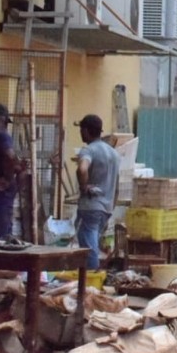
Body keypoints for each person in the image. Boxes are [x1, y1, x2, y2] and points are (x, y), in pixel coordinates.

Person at [75, 114, 120, 270]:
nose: (80, 133)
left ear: (86, 130)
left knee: (88, 245)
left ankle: (90, 277)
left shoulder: (88, 150)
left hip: (91, 206)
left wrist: (84, 186)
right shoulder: (114, 153)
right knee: (93, 241)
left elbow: (82, 169)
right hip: (106, 207)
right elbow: (117, 186)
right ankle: (92, 275)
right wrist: (111, 207)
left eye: (81, 129)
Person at [0, 104, 20, 240]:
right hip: (1, 191)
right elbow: (10, 156)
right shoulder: (2, 136)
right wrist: (8, 179)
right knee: (1, 233)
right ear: (4, 121)